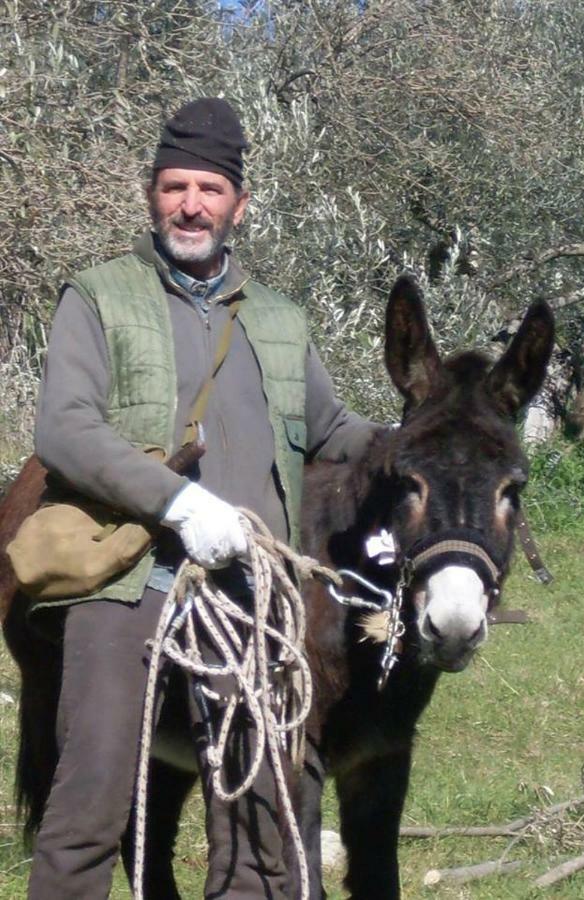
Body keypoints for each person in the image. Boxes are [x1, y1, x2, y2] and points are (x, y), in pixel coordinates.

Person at [27, 97, 377, 900]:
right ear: (151, 194)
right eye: (175, 185)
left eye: (209, 189)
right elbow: (65, 429)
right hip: (124, 584)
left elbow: (331, 429)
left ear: (239, 206)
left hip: (250, 601)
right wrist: (179, 504)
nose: (191, 204)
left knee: (258, 828)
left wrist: (422, 436)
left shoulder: (281, 320)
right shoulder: (99, 296)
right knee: (89, 812)